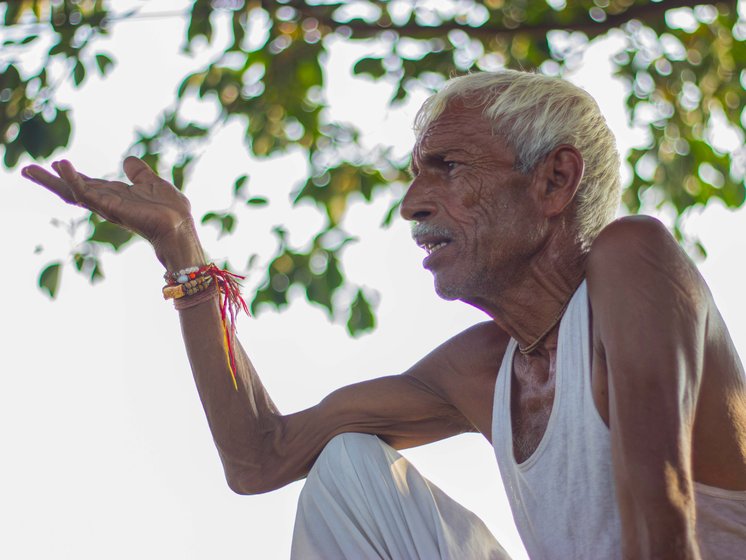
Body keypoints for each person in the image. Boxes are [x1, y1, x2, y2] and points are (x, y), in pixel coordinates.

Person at [23, 70, 745, 559]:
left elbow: (664, 508)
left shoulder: (633, 259)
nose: (412, 204)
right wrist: (183, 253)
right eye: (415, 173)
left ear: (555, 179)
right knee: (348, 473)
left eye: (448, 168)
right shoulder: (484, 368)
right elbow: (259, 456)